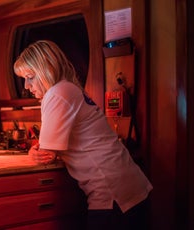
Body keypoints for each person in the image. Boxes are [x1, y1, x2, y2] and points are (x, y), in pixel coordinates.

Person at [13, 40, 153, 230]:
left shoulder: (57, 93)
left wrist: (34, 152)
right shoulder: (69, 88)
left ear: (47, 69)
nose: (27, 86)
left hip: (113, 192)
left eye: (30, 77)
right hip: (127, 186)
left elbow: (46, 153)